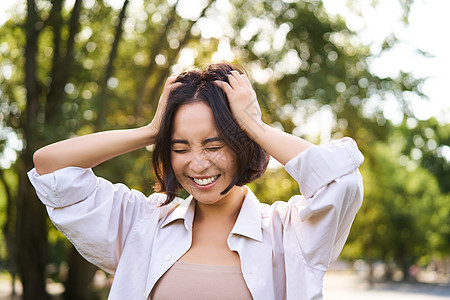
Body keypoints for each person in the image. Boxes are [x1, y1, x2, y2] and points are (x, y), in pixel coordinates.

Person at [28, 62, 364, 299]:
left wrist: (255, 126)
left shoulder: (287, 233)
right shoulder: (143, 223)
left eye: (214, 145)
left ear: (242, 145)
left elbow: (341, 181)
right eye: (180, 147)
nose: (198, 164)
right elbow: (51, 168)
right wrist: (151, 131)